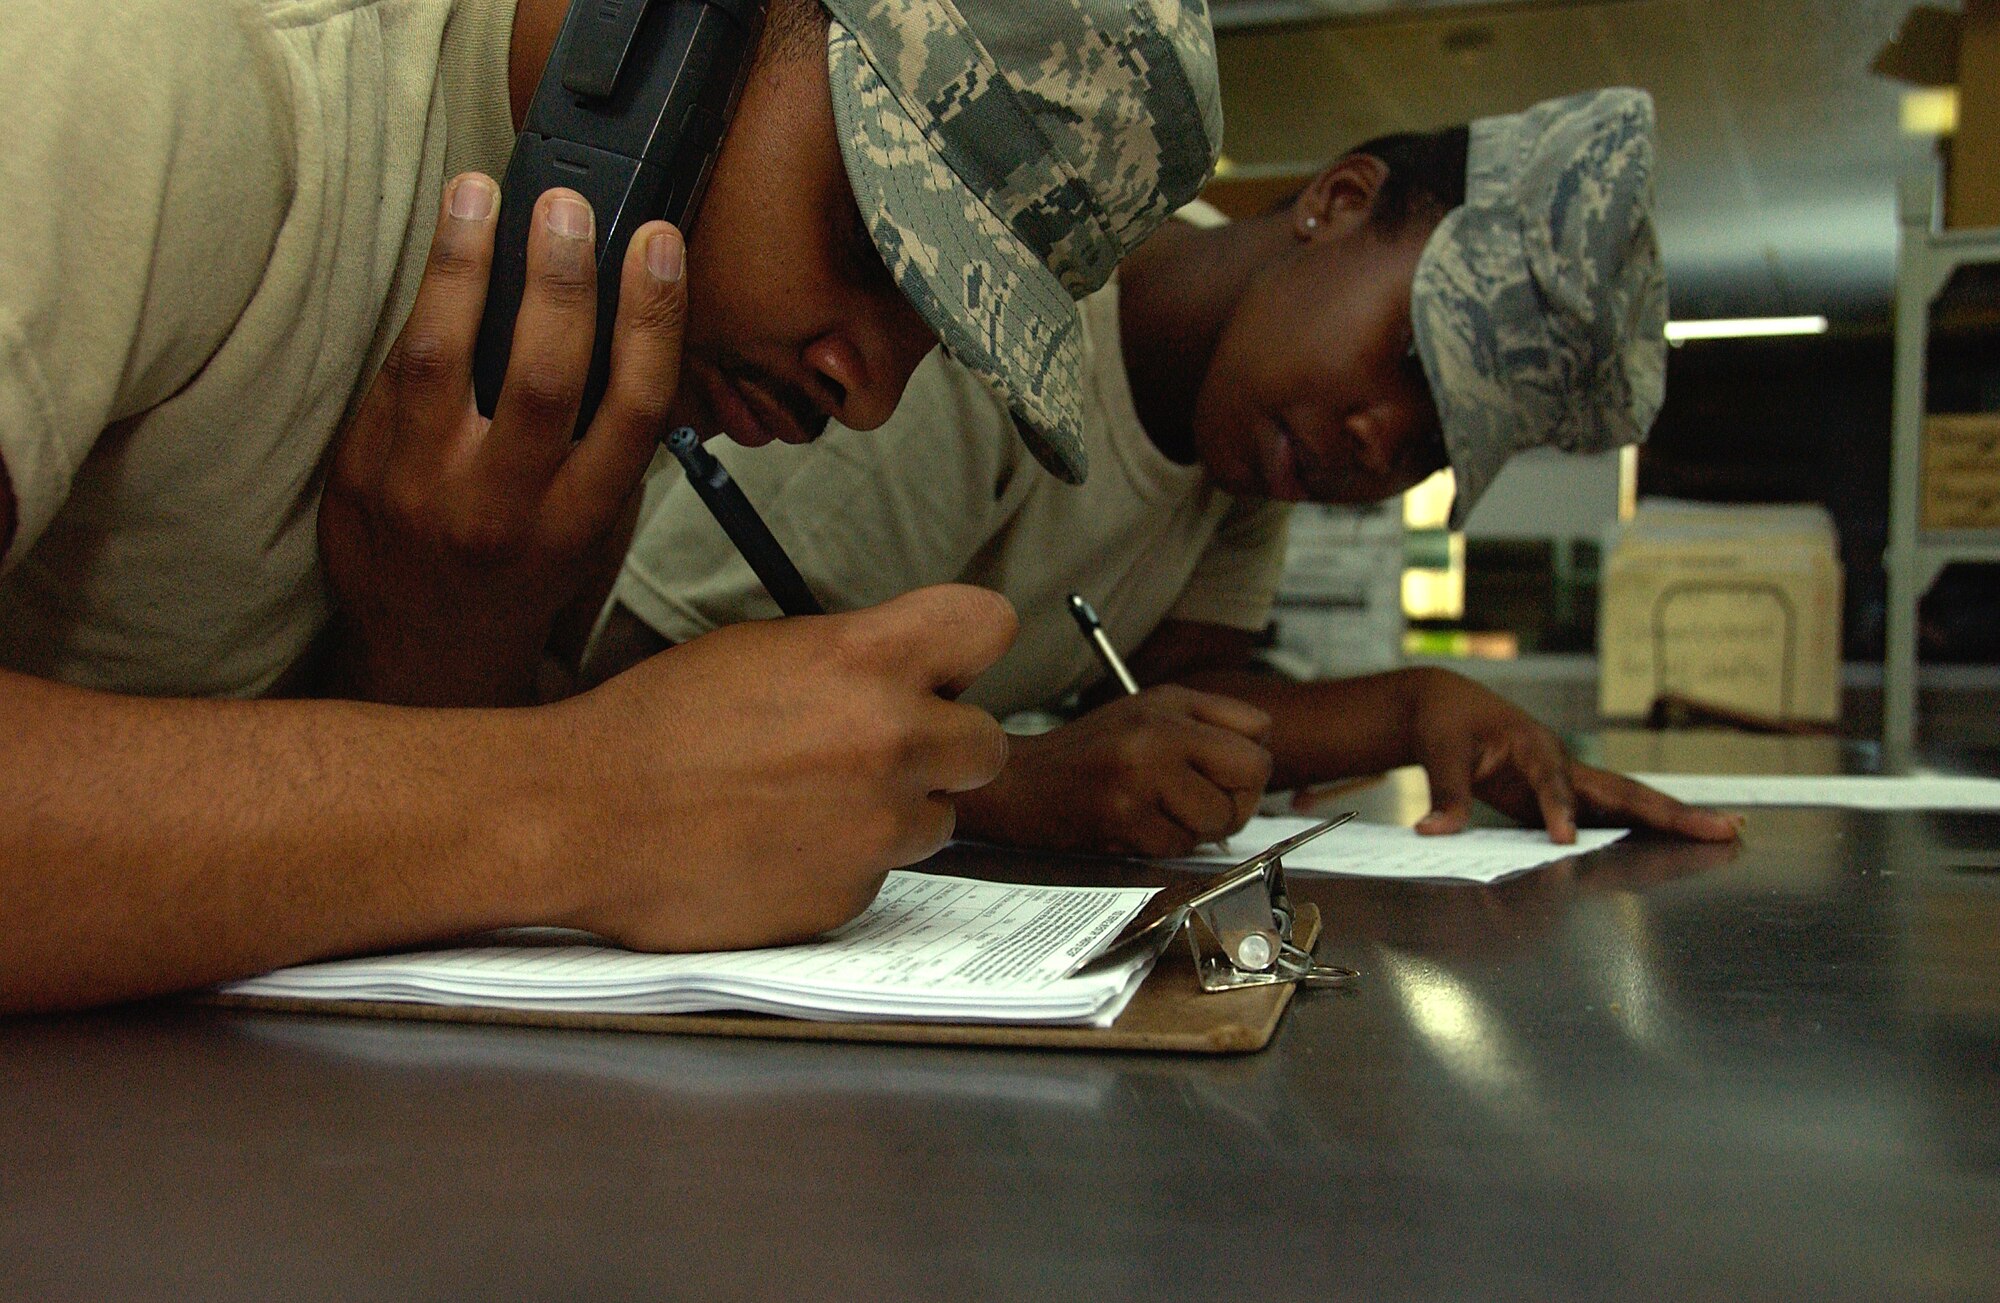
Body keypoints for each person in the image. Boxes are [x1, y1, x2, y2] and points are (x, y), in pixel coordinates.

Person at [0, 0, 1223, 1011]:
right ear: (673, 30)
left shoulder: (628, 290)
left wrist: (442, 641)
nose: (866, 400)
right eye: (867, 237)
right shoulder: (162, 62)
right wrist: (582, 796)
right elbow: (511, 815)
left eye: (945, 335)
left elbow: (345, 867)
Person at [587, 89, 1746, 858]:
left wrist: (1415, 707)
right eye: (1411, 362)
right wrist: (1021, 789)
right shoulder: (987, 333)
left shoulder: (1244, 437)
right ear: (1334, 202)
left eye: (1436, 446)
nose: (1379, 442)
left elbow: (1178, 697)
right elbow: (628, 687)